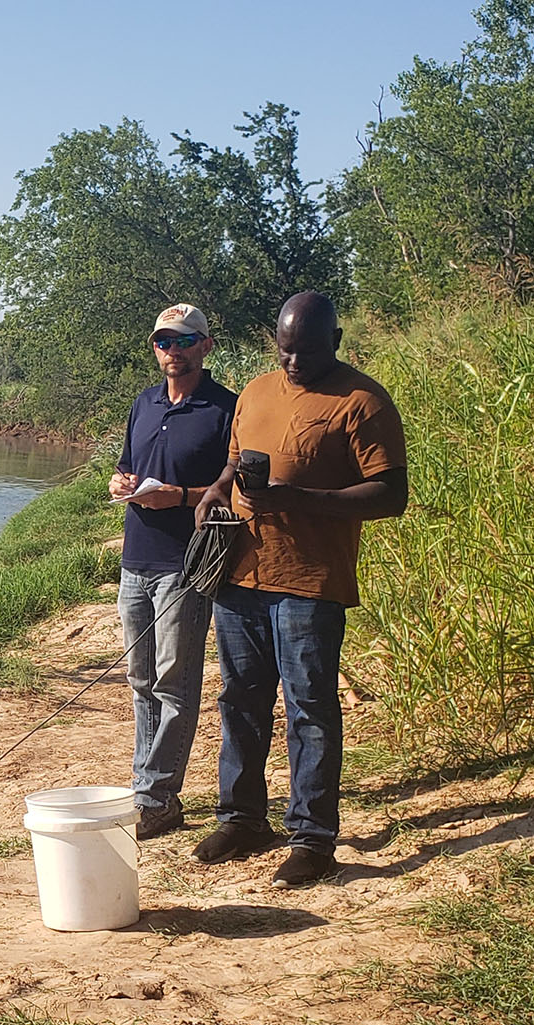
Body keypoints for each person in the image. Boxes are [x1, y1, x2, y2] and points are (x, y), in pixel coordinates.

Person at [190, 292, 408, 887]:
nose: (292, 364)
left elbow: (391, 495)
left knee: (309, 708)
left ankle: (312, 838)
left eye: (305, 353)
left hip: (309, 583)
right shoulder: (257, 391)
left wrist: (299, 500)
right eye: (284, 352)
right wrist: (216, 491)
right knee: (239, 699)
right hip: (240, 573)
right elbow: (236, 462)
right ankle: (241, 818)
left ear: (334, 343)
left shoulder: (362, 402)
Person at [106, 303, 236, 840]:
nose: (172, 352)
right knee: (140, 681)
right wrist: (120, 484)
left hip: (187, 564)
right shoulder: (144, 402)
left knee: (174, 684)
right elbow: (124, 467)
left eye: (183, 342)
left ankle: (159, 798)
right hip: (135, 558)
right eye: (163, 342)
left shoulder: (226, 408)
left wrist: (178, 497)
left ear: (205, 346)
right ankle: (147, 789)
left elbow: (233, 489)